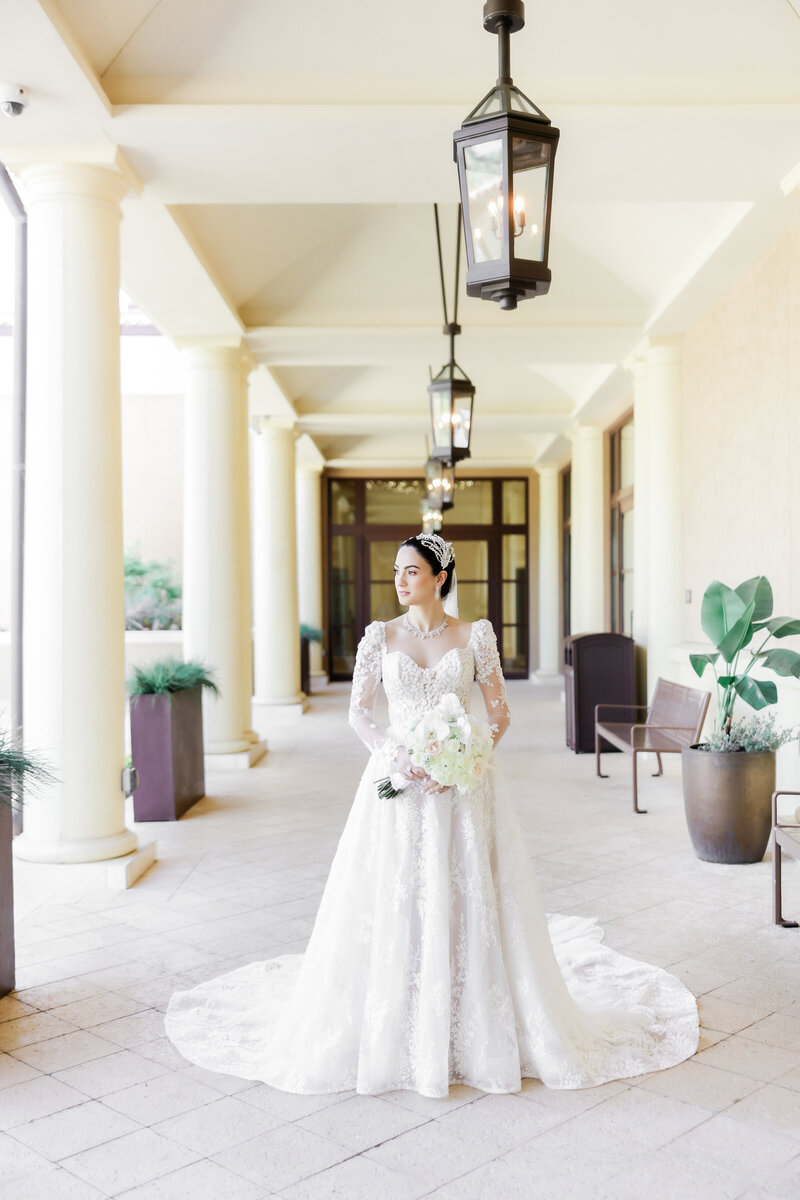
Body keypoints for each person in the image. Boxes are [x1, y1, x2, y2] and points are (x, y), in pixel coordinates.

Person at [165, 532, 698, 1097]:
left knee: (466, 891)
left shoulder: (476, 636)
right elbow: (359, 714)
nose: (399, 580)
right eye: (397, 571)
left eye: (412, 571)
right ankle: (400, 1016)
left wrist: (464, 757)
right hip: (396, 784)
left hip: (464, 787)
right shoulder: (380, 637)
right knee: (399, 890)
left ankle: (472, 1017)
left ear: (440, 576)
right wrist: (395, 755)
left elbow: (498, 714)